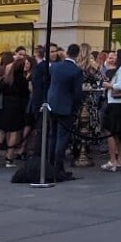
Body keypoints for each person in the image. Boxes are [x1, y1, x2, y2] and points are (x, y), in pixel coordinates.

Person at [46, 43, 85, 179]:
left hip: (52, 104)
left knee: (52, 136)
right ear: (78, 54)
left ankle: (50, 165)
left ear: (67, 52)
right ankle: (58, 168)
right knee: (62, 138)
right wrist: (77, 107)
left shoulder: (55, 67)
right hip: (66, 107)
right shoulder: (76, 71)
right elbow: (77, 93)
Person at [0, 57, 29, 168]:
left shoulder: (6, 79)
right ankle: (9, 159)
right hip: (17, 108)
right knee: (14, 133)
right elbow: (26, 96)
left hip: (5, 107)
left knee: (1, 133)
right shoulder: (23, 81)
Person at [101, 49, 121, 172]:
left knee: (111, 132)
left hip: (117, 102)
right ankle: (119, 160)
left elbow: (120, 85)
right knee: (118, 132)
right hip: (120, 102)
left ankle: (113, 160)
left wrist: (109, 85)